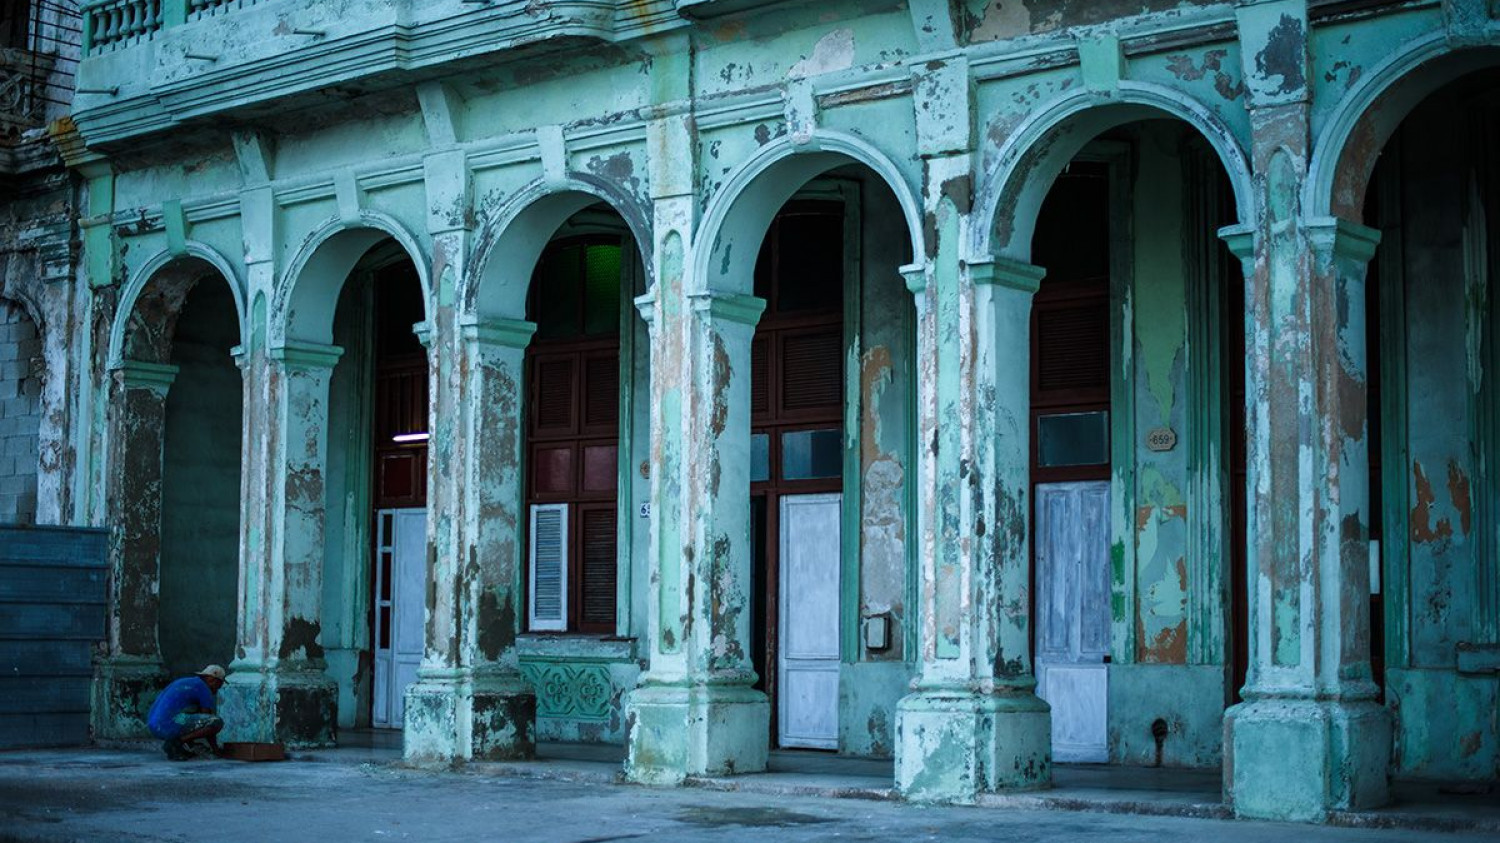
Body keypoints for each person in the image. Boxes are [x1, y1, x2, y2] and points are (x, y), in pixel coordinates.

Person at [146, 665, 227, 761]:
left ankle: (182, 746)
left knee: (192, 717)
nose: (216, 690)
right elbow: (208, 719)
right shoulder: (203, 688)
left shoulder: (187, 681)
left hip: (154, 725)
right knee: (216, 722)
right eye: (218, 686)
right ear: (213, 680)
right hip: (167, 724)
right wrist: (216, 750)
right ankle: (177, 743)